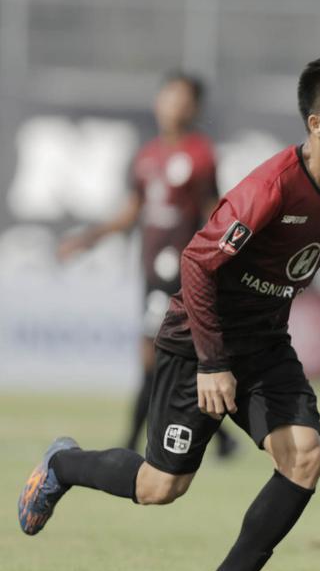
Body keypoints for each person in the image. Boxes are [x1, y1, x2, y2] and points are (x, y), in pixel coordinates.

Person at [19, 57, 320, 571]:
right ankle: (63, 464)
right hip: (200, 340)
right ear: (317, 124)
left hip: (266, 344)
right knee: (160, 487)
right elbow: (198, 265)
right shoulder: (270, 187)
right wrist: (211, 361)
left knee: (305, 457)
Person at [57, 72, 239, 457]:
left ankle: (128, 445)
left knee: (152, 358)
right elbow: (131, 213)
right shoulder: (148, 156)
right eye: (167, 96)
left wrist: (226, 258)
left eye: (181, 98)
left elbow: (214, 213)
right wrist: (86, 240)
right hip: (151, 271)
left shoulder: (200, 155)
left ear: (194, 107)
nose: (172, 104)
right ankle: (223, 440)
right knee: (174, 360)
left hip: (181, 272)